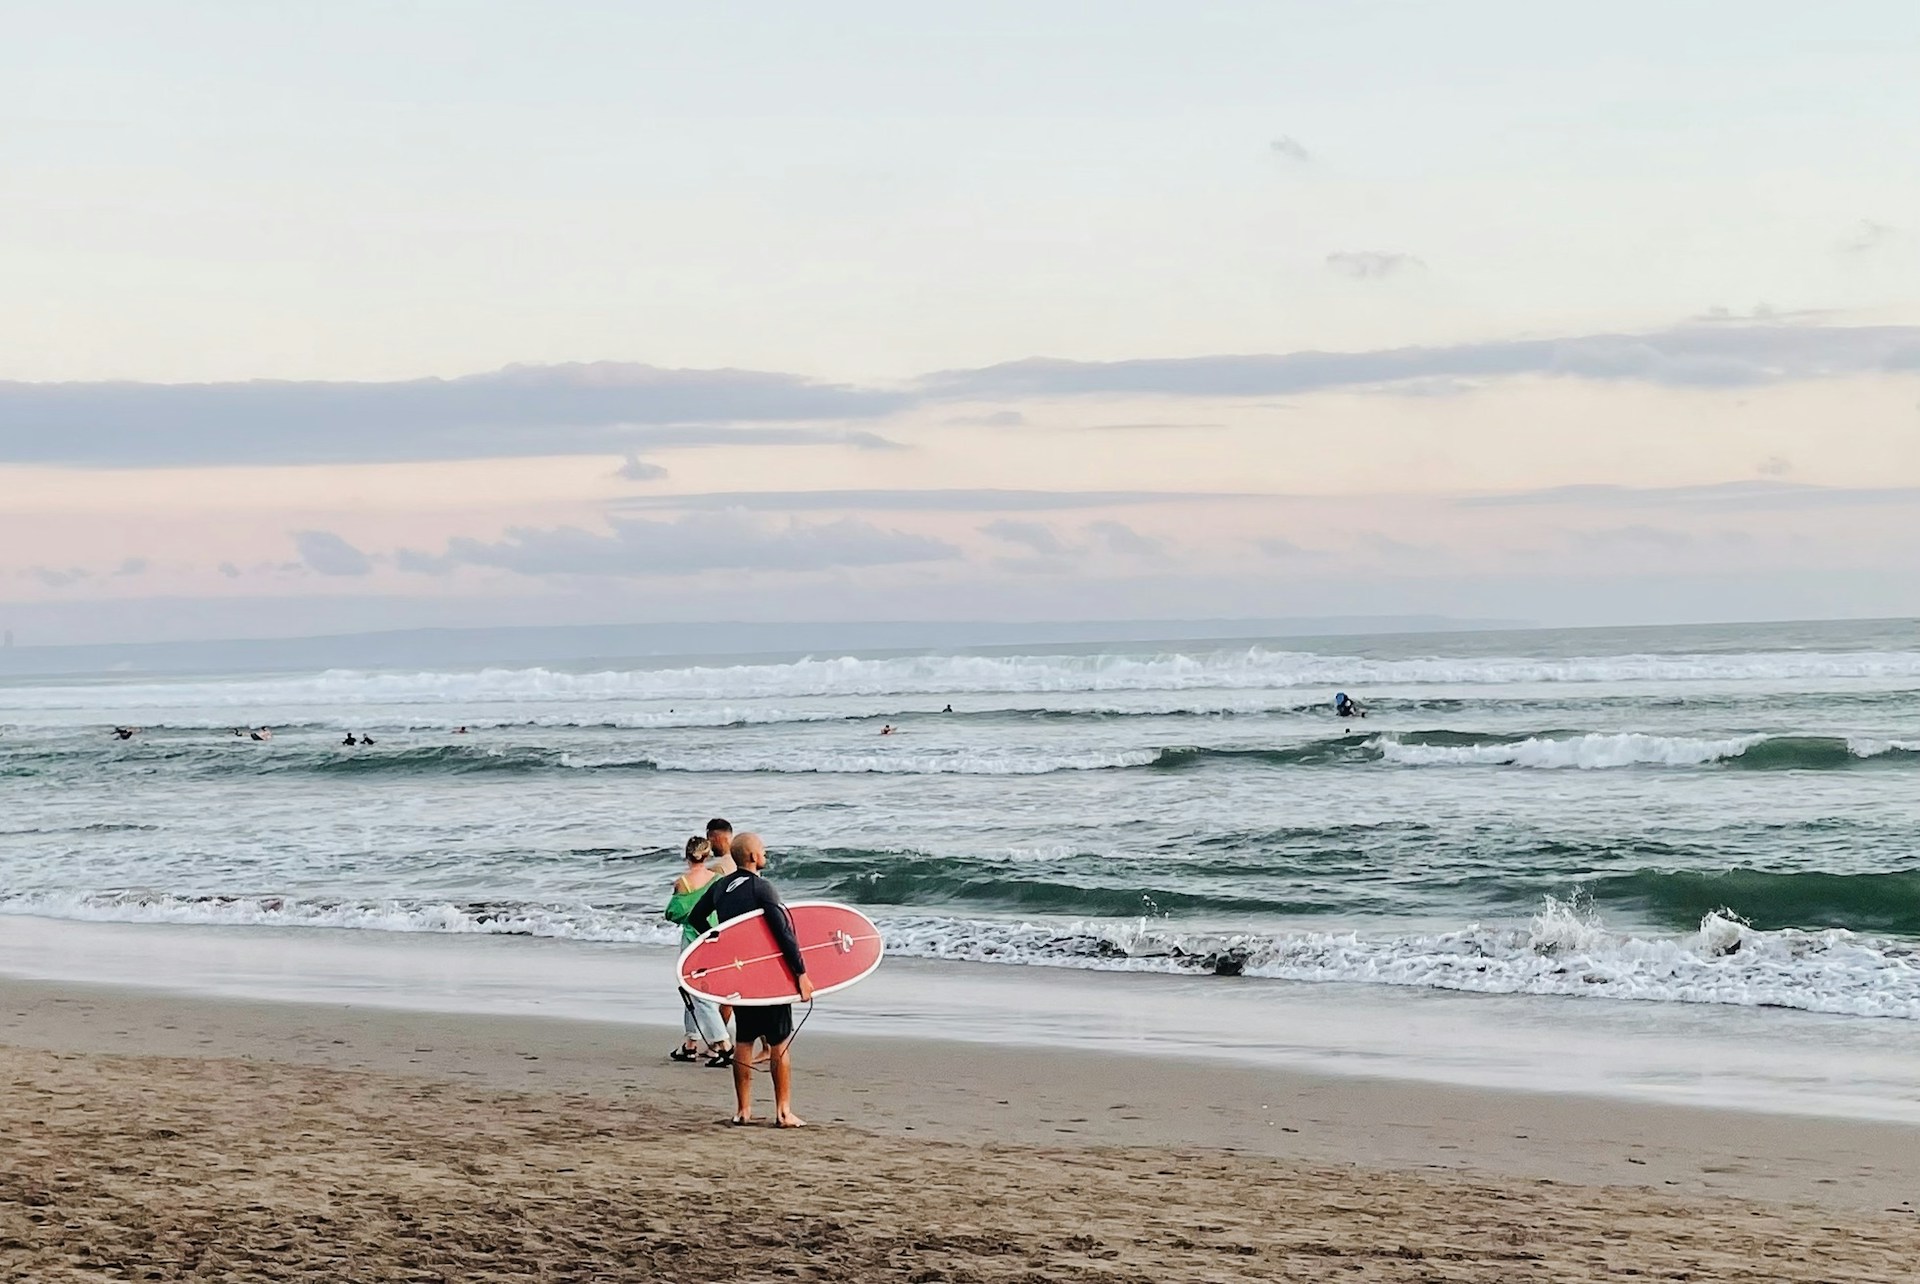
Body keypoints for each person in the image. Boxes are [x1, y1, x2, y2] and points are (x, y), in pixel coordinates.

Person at [685, 833, 813, 1128]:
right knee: (779, 1042)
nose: (765, 853)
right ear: (753, 857)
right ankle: (783, 1112)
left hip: (740, 974)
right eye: (763, 850)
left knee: (744, 1039)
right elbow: (784, 934)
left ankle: (743, 1110)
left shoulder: (721, 887)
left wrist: (718, 941)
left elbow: (696, 918)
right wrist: (801, 974)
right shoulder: (762, 888)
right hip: (768, 975)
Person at [664, 837, 734, 1067]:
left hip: (692, 938)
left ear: (687, 855)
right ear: (708, 856)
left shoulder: (682, 883)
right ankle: (691, 1042)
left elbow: (673, 913)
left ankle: (723, 1043)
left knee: (694, 990)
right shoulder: (718, 880)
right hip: (714, 937)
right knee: (700, 988)